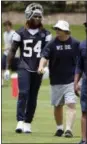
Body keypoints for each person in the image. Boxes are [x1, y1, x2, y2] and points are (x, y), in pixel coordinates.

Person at [4, 3, 52, 133]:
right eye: (34, 16)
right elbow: (12, 51)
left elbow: (48, 52)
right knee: (23, 92)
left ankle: (28, 122)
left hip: (38, 67)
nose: (37, 18)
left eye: (39, 16)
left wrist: (47, 66)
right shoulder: (20, 32)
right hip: (24, 65)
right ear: (28, 16)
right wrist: (7, 68)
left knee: (33, 96)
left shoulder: (46, 34)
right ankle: (20, 120)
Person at [38, 20, 80, 138]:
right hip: (56, 80)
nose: (57, 31)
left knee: (71, 104)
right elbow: (44, 57)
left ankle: (68, 130)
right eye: (56, 29)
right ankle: (60, 128)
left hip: (72, 79)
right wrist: (41, 66)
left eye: (59, 29)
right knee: (57, 106)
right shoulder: (51, 44)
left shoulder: (75, 43)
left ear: (66, 31)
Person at [74, 22, 87, 144]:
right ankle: (84, 140)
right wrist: (75, 82)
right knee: (84, 111)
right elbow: (79, 65)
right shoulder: (82, 45)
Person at [1, 20, 19, 86]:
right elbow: (6, 44)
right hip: (6, 54)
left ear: (10, 26)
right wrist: (5, 48)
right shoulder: (4, 34)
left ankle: (17, 83)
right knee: (2, 68)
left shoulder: (14, 33)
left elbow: (14, 45)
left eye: (7, 26)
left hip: (14, 55)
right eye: (4, 26)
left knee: (16, 70)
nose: (5, 28)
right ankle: (1, 83)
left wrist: (6, 48)